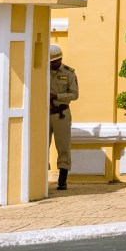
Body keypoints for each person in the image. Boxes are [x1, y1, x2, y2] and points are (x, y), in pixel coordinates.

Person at [49, 44, 78, 190]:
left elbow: (74, 94)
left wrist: (57, 96)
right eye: (51, 62)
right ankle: (41, 176)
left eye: (56, 61)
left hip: (61, 113)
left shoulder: (68, 73)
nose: (54, 64)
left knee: (63, 146)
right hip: (43, 113)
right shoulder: (40, 71)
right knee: (41, 145)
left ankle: (62, 178)